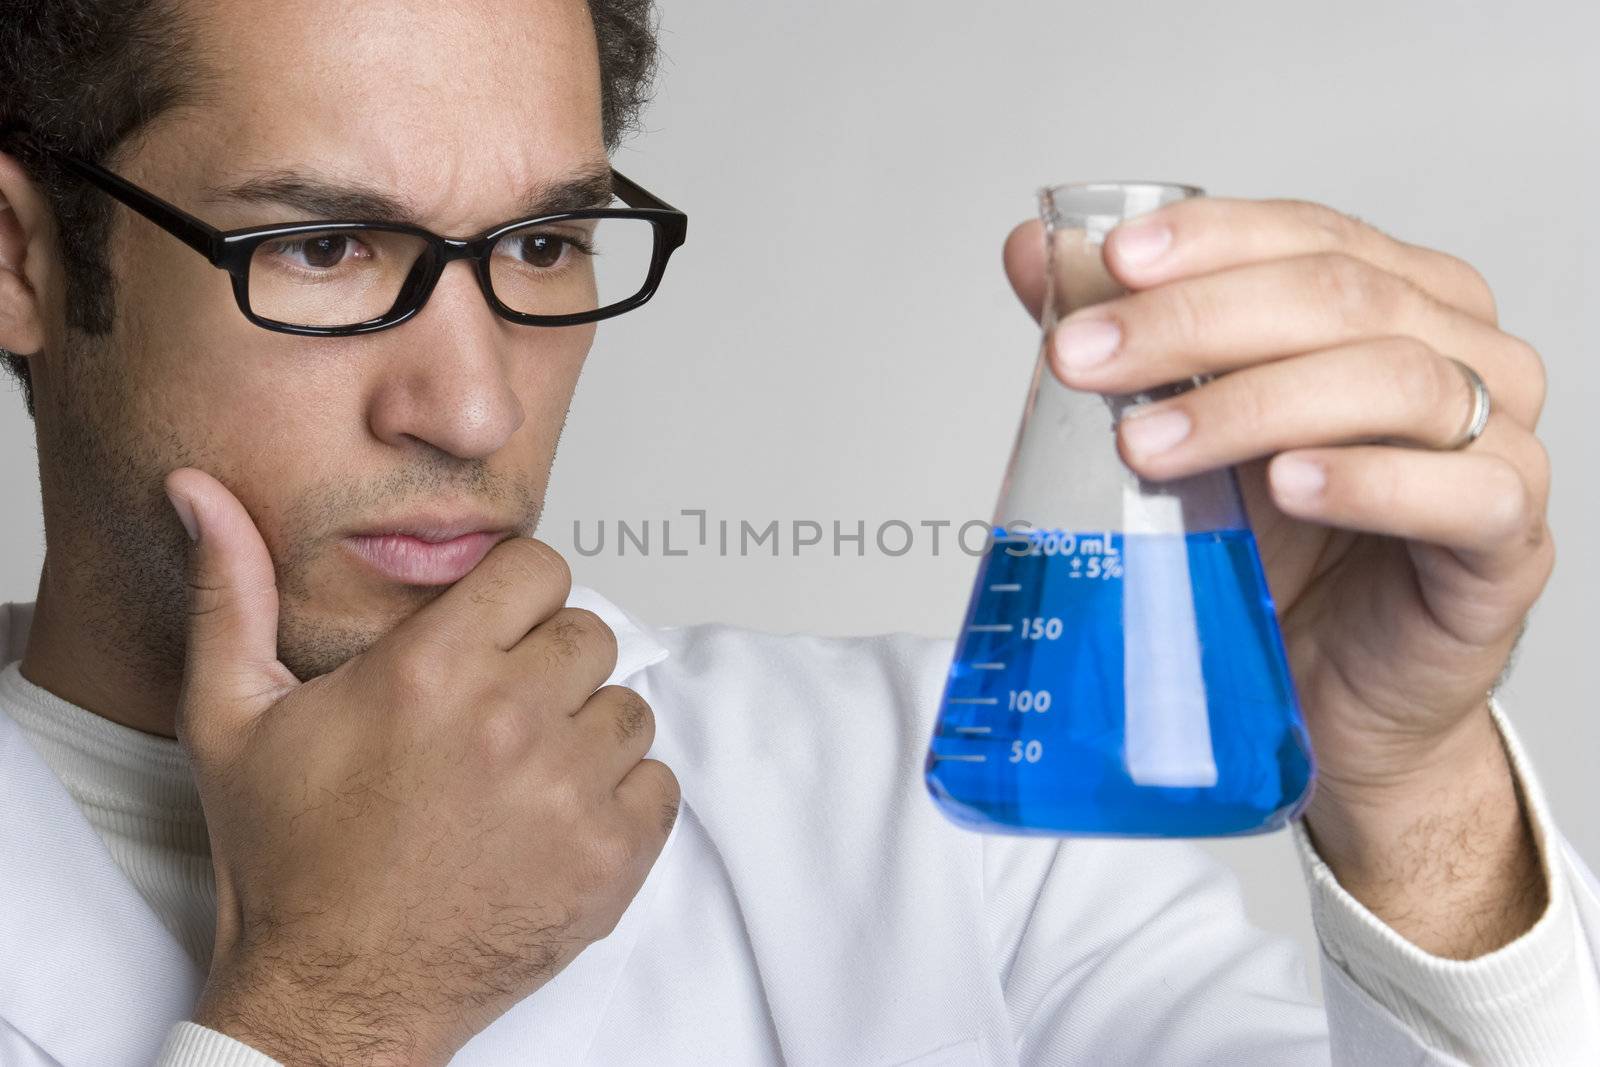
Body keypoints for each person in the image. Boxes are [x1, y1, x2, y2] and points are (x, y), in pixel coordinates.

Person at [0, 0, 1594, 1064]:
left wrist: (1411, 786)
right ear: (22, 261)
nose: (474, 407)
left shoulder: (943, 818)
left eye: (547, 242)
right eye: (328, 246)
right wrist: (337, 1009)